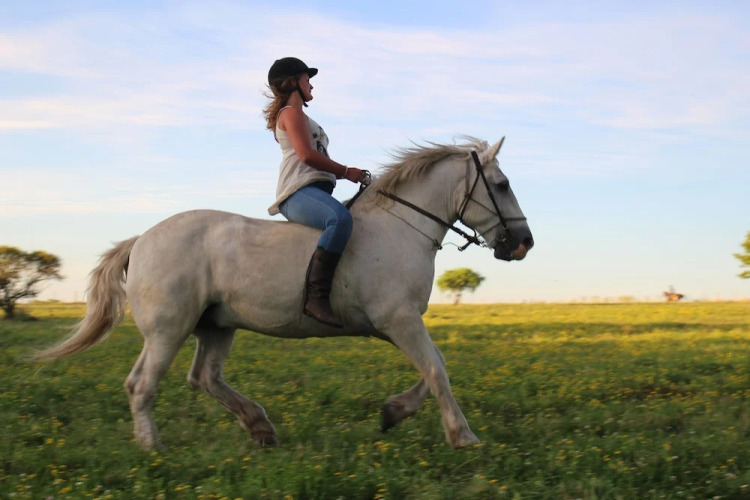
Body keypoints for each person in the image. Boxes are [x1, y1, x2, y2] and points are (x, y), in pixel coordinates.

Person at [264, 57, 366, 328]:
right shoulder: (291, 113)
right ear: (293, 82)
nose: (311, 85)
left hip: (316, 191)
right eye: (307, 79)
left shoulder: (300, 115)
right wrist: (346, 171)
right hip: (298, 192)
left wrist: (344, 174)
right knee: (340, 219)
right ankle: (316, 298)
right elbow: (307, 156)